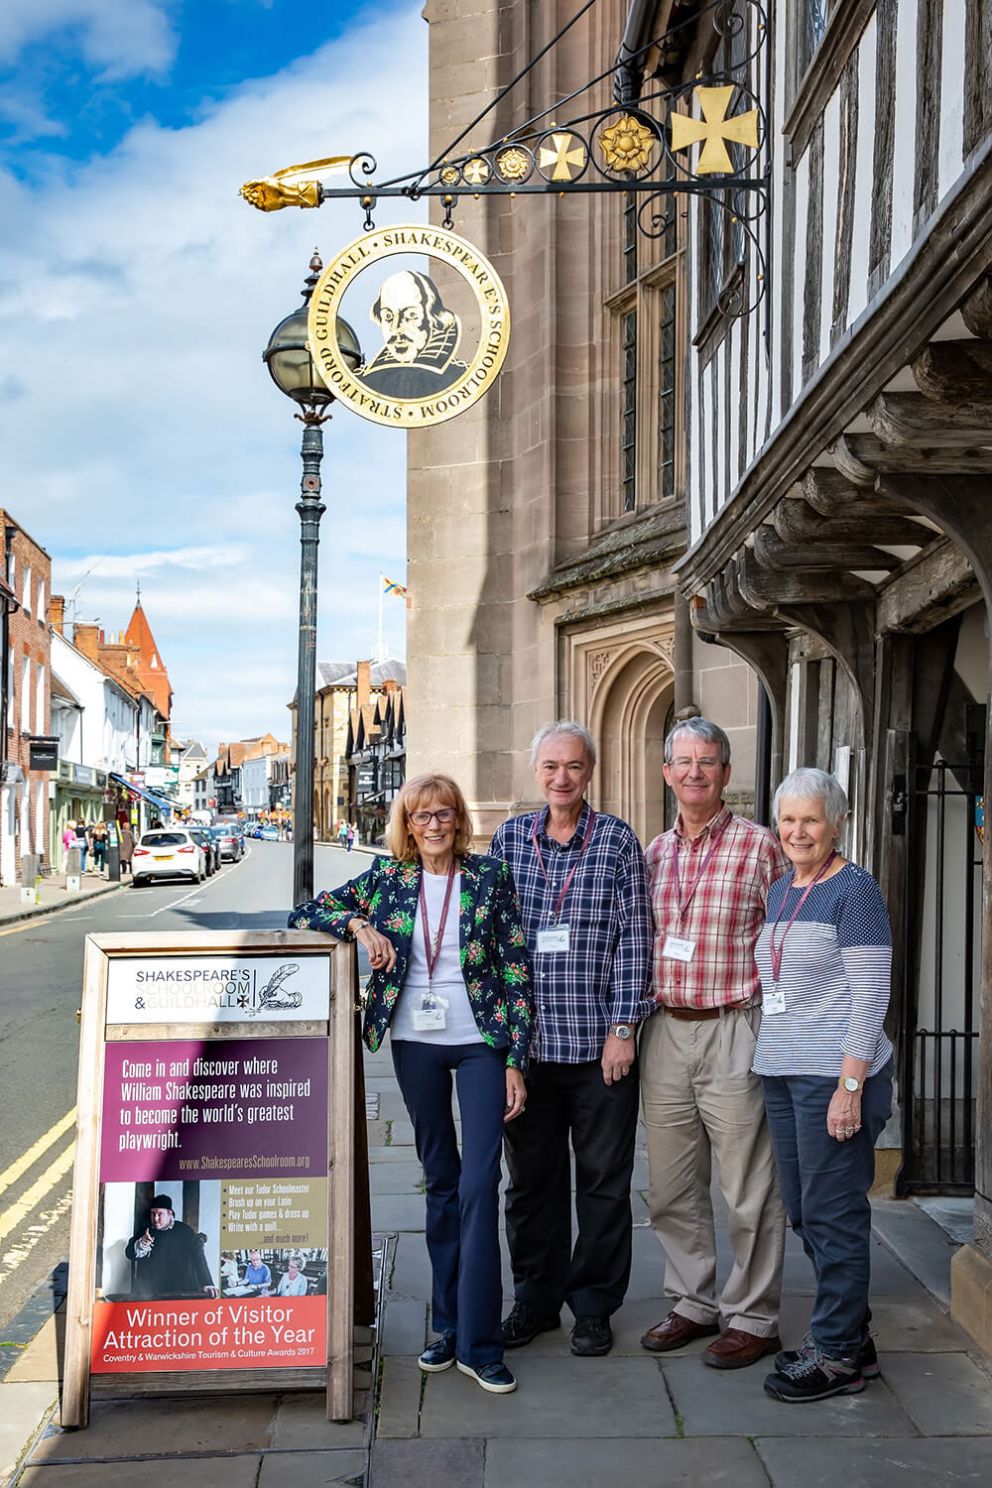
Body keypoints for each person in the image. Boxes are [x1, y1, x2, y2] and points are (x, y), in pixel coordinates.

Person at [289, 771, 534, 1395]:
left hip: (480, 1042)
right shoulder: (388, 881)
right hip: (414, 1043)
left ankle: (481, 1341)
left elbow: (515, 969)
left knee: (481, 1180)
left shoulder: (488, 878)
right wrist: (360, 928)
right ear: (407, 823)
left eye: (444, 813)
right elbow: (307, 910)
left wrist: (515, 1060)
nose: (434, 824)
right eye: (422, 815)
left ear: (458, 819)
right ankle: (446, 1326)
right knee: (441, 1181)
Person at [489, 721, 654, 1359]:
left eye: (575, 767)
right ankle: (533, 1298)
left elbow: (635, 939)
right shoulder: (508, 841)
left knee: (604, 1183)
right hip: (528, 1052)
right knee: (530, 1182)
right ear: (538, 772)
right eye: (552, 766)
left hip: (598, 1052)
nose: (563, 778)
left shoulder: (615, 842)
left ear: (591, 772)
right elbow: (496, 944)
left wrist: (623, 1030)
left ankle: (592, 1307)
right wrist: (506, 1048)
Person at [640, 718, 788, 1369]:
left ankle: (754, 1316)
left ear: (727, 773)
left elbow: (788, 941)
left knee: (747, 1186)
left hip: (735, 1027)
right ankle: (693, 1300)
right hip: (665, 1030)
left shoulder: (762, 848)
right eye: (683, 761)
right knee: (672, 1185)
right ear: (667, 772)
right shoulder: (653, 852)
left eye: (708, 761)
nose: (695, 772)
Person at [753, 767, 894, 1403]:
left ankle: (837, 1355)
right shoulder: (784, 890)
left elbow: (870, 994)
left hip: (834, 1075)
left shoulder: (855, 891)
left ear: (837, 822)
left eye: (811, 819)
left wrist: (851, 1083)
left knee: (835, 1215)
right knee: (806, 1211)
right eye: (788, 819)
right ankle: (850, 1334)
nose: (798, 831)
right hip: (784, 1070)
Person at [362, 270, 468, 397]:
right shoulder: (366, 383)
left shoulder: (460, 379)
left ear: (433, 318)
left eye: (411, 315)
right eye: (388, 316)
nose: (396, 329)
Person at [124, 1195, 218, 1300]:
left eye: (160, 1214)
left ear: (170, 1214)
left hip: (183, 1291)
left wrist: (207, 1283)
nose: (155, 1219)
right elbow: (129, 1253)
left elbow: (199, 1258)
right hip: (153, 1293)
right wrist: (142, 1244)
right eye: (153, 1214)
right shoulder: (145, 1231)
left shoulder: (184, 1231)